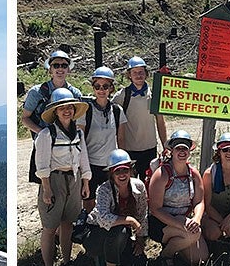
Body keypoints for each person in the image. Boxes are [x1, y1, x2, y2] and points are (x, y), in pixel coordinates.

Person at [32, 88, 91, 266]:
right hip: (54, 180)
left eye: (70, 107)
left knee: (68, 224)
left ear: (74, 110)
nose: (66, 111)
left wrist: (85, 182)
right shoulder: (46, 135)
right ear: (55, 112)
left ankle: (66, 262)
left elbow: (83, 159)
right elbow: (41, 165)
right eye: (61, 108)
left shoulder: (78, 134)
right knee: (50, 227)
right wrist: (46, 189)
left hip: (73, 179)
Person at [85, 149, 148, 266]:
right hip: (97, 235)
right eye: (117, 171)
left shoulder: (139, 186)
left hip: (123, 236)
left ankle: (111, 260)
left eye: (125, 170)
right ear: (111, 173)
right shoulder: (104, 189)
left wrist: (140, 240)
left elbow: (142, 214)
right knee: (121, 229)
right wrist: (130, 220)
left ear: (131, 170)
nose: (122, 174)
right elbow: (102, 219)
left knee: (139, 265)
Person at [147, 130, 207, 266]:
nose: (182, 151)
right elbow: (155, 209)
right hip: (160, 222)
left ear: (189, 151)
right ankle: (166, 255)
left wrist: (197, 219)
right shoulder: (162, 174)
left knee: (200, 258)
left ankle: (177, 244)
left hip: (185, 220)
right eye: (178, 148)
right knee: (195, 233)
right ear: (171, 150)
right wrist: (180, 225)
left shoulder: (193, 173)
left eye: (185, 148)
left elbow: (199, 201)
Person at [23, 50, 83, 183]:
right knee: (45, 183)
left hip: (67, 145)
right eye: (56, 65)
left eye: (64, 65)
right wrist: (43, 133)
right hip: (44, 146)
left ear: (69, 69)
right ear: (50, 69)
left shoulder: (75, 93)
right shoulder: (36, 92)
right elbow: (25, 118)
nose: (60, 68)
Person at [81, 66, 128, 212]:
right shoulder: (86, 111)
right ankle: (90, 230)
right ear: (93, 88)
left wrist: (122, 164)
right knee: (89, 200)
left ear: (111, 88)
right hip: (91, 164)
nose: (101, 90)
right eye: (97, 86)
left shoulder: (116, 110)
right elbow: (80, 139)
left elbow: (121, 139)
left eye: (105, 86)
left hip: (110, 165)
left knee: (112, 199)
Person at [113, 56, 168, 180]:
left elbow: (160, 121)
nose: (138, 75)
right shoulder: (122, 96)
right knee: (130, 184)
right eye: (135, 72)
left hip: (150, 149)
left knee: (149, 182)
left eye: (141, 72)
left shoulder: (153, 94)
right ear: (129, 75)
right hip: (129, 149)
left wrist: (165, 145)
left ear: (146, 74)